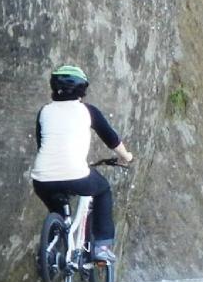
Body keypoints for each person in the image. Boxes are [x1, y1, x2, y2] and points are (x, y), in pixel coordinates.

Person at [30, 64, 133, 262]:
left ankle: (50, 254)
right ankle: (102, 245)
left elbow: (41, 143)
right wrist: (126, 156)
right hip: (76, 174)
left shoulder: (44, 112)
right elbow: (111, 139)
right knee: (102, 190)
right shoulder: (88, 111)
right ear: (82, 88)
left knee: (57, 211)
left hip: (42, 178)